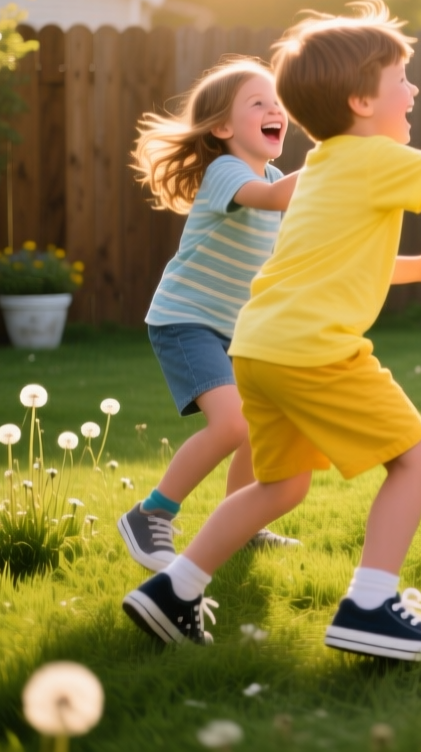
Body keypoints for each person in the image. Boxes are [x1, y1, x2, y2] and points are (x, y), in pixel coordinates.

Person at [123, 0, 421, 661]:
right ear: (362, 101)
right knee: (417, 458)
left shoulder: (322, 168)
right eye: (401, 80)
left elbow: (329, 260)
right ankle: (371, 605)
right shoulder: (373, 157)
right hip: (314, 349)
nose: (413, 90)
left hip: (258, 347)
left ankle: (174, 589)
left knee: (282, 486)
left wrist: (414, 268)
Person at [121, 58, 305, 570]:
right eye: (258, 103)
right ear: (223, 128)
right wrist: (330, 163)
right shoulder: (228, 171)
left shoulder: (270, 176)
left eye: (278, 103)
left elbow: (310, 252)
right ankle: (150, 514)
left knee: (259, 425)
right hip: (187, 320)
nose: (275, 110)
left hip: (237, 330)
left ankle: (242, 524)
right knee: (232, 427)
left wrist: (414, 267)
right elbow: (269, 198)